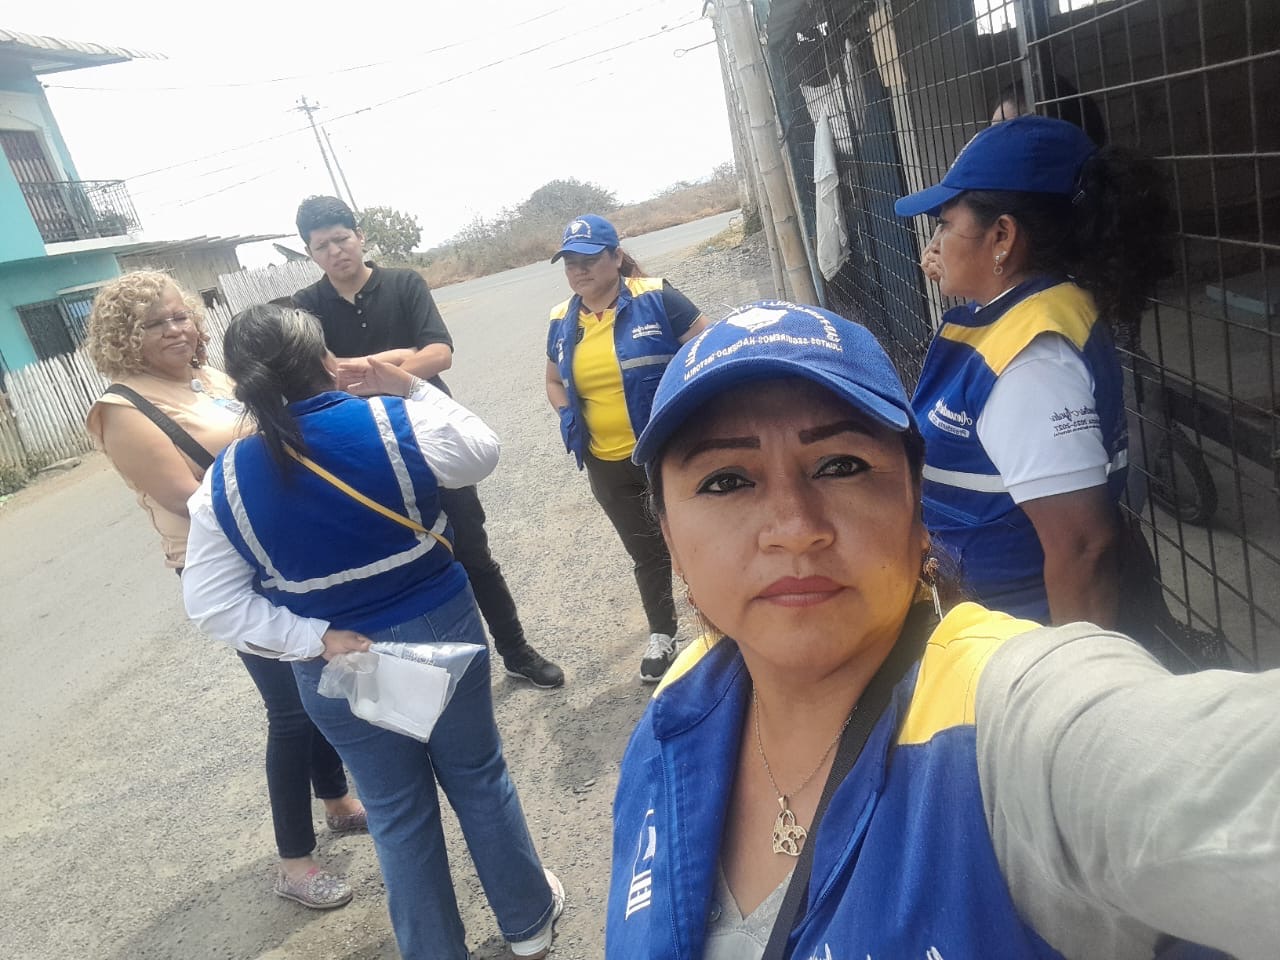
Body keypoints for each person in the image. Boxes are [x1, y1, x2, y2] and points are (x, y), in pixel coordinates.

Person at [605, 300, 1278, 960]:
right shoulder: (681, 700)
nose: (794, 528)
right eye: (726, 481)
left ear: (916, 505)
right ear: (669, 537)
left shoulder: (1008, 727)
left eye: (841, 465)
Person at [181, 304, 564, 960]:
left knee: (394, 810)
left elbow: (211, 604)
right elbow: (481, 454)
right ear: (325, 360)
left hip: (336, 664)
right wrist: (408, 383)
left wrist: (312, 639)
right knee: (477, 774)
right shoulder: (391, 418)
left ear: (242, 386)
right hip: (440, 629)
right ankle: (528, 925)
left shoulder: (223, 483)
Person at [84, 271, 365, 910]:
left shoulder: (210, 379)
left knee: (315, 678)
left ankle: (336, 799)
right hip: (224, 564)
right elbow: (187, 498)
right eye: (156, 323)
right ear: (124, 336)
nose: (177, 329)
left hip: (274, 544)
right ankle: (294, 862)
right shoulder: (121, 410)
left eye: (181, 315)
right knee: (288, 709)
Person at [895, 115, 1169, 626]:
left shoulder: (1032, 362)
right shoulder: (1017, 313)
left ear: (1002, 236)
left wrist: (1068, 673)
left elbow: (1082, 548)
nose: (935, 242)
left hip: (1020, 632)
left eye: (946, 224)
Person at [292, 195, 564, 690]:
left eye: (342, 239)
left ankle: (515, 650)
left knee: (473, 552)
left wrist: (367, 374)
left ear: (360, 236)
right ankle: (429, 678)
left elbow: (440, 354)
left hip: (429, 437)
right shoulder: (306, 306)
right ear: (310, 253)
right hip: (362, 452)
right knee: (397, 567)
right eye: (322, 245)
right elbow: (318, 376)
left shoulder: (404, 284)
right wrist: (399, 358)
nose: (335, 251)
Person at [543, 214, 709, 682]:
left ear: (616, 257)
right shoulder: (561, 320)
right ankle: (663, 634)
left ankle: (724, 622)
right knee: (646, 552)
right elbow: (554, 381)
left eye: (589, 259)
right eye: (570, 262)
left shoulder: (657, 297)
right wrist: (566, 414)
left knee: (700, 537)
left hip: (668, 452)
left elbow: (709, 348)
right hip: (606, 460)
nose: (579, 270)